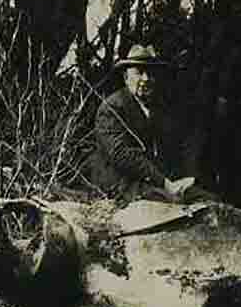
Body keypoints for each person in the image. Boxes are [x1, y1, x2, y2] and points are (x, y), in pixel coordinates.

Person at [89, 44, 214, 204]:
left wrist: (186, 178)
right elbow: (121, 155)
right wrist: (165, 183)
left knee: (209, 200)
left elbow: (174, 147)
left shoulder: (158, 107)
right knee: (168, 204)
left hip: (153, 182)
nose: (146, 79)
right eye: (139, 73)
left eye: (151, 74)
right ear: (126, 77)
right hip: (120, 183)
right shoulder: (111, 108)